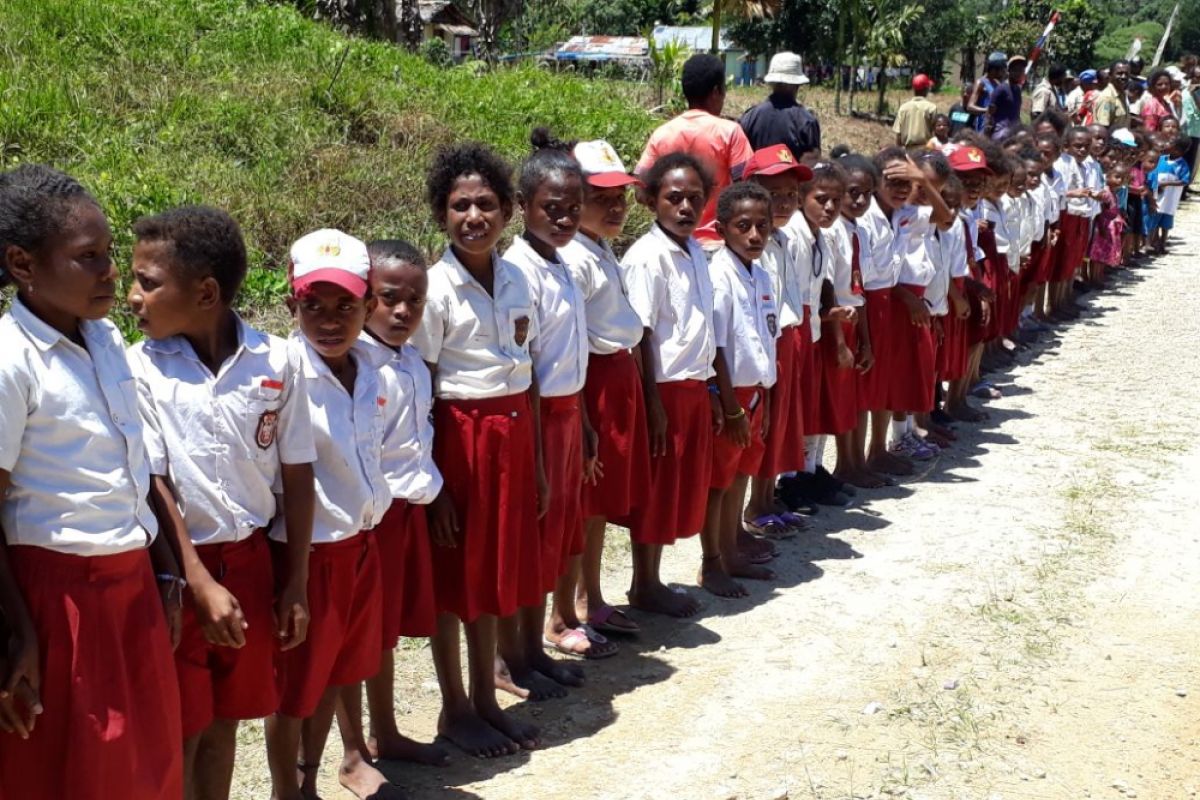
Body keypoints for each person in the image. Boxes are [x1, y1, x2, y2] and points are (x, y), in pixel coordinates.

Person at [0, 164, 185, 800]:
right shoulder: (10, 363)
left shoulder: (105, 339)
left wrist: (165, 572)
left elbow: (135, 472)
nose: (110, 271)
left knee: (146, 763)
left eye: (108, 254)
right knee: (77, 771)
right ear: (23, 264)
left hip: (129, 584)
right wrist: (18, 632)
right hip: (59, 600)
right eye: (88, 258)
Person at [125, 206, 316, 800]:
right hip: (178, 573)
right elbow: (155, 484)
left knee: (227, 717)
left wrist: (296, 581)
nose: (132, 296)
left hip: (253, 563)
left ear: (205, 292)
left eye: (148, 283)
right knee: (183, 724)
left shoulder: (278, 361)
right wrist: (197, 580)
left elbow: (297, 472)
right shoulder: (140, 370)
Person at [410, 142, 543, 759]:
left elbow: (529, 370)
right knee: (453, 574)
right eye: (460, 205)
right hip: (458, 438)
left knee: (492, 572)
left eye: (486, 204)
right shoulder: (433, 290)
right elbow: (422, 390)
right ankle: (454, 706)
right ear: (441, 214)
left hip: (511, 432)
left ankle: (488, 699)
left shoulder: (518, 277)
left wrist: (535, 459)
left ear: (508, 211)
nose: (474, 217)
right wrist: (434, 486)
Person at [271, 229, 404, 800]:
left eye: (346, 306)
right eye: (313, 306)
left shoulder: (373, 368)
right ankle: (287, 791)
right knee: (294, 689)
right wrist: (295, 578)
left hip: (360, 543)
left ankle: (309, 782)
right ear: (290, 305)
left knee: (331, 677)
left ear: (369, 304)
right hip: (311, 554)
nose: (329, 320)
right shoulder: (283, 374)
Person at [502, 131, 614, 676]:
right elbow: (525, 368)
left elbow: (572, 356)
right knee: (534, 536)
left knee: (563, 529)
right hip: (537, 419)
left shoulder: (564, 264)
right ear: (523, 207)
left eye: (573, 209)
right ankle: (512, 654)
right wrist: (544, 446)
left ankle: (550, 629)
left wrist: (587, 424)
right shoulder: (518, 271)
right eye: (552, 209)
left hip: (570, 414)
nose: (565, 219)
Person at [351, 239, 452, 771]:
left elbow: (419, 441)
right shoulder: (354, 366)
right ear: (364, 298)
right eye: (389, 297)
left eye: (415, 300)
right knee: (362, 635)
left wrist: (434, 498)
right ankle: (353, 747)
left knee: (385, 633)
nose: (402, 310)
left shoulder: (412, 362)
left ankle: (384, 731)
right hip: (370, 520)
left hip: (408, 513)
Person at [620, 153, 716, 618]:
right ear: (652, 200)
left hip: (694, 386)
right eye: (674, 197)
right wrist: (653, 404)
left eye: (694, 198)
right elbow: (640, 336)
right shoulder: (646, 257)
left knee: (679, 488)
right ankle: (644, 583)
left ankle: (652, 579)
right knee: (657, 491)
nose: (684, 207)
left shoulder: (696, 250)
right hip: (664, 389)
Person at [560, 139, 648, 637]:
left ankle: (591, 594)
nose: (615, 207)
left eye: (620, 197)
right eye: (602, 197)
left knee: (599, 504)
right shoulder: (573, 257)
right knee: (585, 502)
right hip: (592, 380)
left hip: (617, 375)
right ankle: (572, 602)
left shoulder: (601, 249)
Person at [701, 182, 778, 598]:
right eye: (743, 226)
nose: (754, 236)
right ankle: (711, 562)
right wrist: (729, 406)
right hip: (732, 398)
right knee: (719, 483)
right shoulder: (719, 276)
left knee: (741, 476)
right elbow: (715, 346)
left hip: (755, 393)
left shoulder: (762, 274)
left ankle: (731, 549)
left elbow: (764, 336)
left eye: (761, 226)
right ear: (721, 228)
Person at [740, 147, 813, 536]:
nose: (785, 201)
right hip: (764, 345)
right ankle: (754, 505)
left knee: (781, 425)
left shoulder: (783, 239)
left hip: (787, 338)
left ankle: (768, 497)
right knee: (763, 426)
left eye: (791, 193)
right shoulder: (751, 243)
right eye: (775, 193)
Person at [637, 53, 754, 248]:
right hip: (715, 243)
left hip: (671, 242)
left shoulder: (662, 133)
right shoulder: (730, 132)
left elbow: (640, 192)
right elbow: (747, 190)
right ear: (717, 91)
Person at [739, 51, 822, 162]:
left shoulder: (750, 117)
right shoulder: (806, 121)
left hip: (756, 179)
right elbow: (813, 168)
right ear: (797, 85)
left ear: (772, 83)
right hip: (792, 179)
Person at [1147, 135, 1193, 254]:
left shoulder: (1181, 164)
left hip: (1170, 200)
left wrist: (1167, 183)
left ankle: (1162, 243)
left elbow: (1185, 180)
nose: (1166, 144)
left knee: (1165, 223)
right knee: (1155, 219)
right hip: (1158, 196)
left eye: (1170, 143)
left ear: (1177, 149)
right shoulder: (1161, 159)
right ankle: (1154, 242)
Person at [893, 74, 938, 148]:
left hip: (908, 150)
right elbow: (935, 132)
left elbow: (898, 135)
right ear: (926, 89)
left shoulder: (903, 108)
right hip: (925, 150)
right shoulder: (931, 107)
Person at [989, 56, 1028, 140]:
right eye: (1015, 70)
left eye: (1021, 70)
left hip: (1014, 131)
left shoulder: (1017, 89)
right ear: (1008, 70)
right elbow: (990, 113)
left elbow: (1016, 113)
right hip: (1000, 133)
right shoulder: (1001, 89)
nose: (1018, 73)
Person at [968, 52, 1008, 133]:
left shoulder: (998, 84)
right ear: (994, 69)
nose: (1003, 72)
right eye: (1002, 69)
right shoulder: (981, 83)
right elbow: (970, 106)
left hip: (997, 127)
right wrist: (986, 110)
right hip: (983, 127)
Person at [1094, 60, 1132, 130]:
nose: (1123, 77)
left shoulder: (1122, 95)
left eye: (1126, 74)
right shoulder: (1108, 98)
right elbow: (1103, 128)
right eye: (1119, 73)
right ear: (1110, 75)